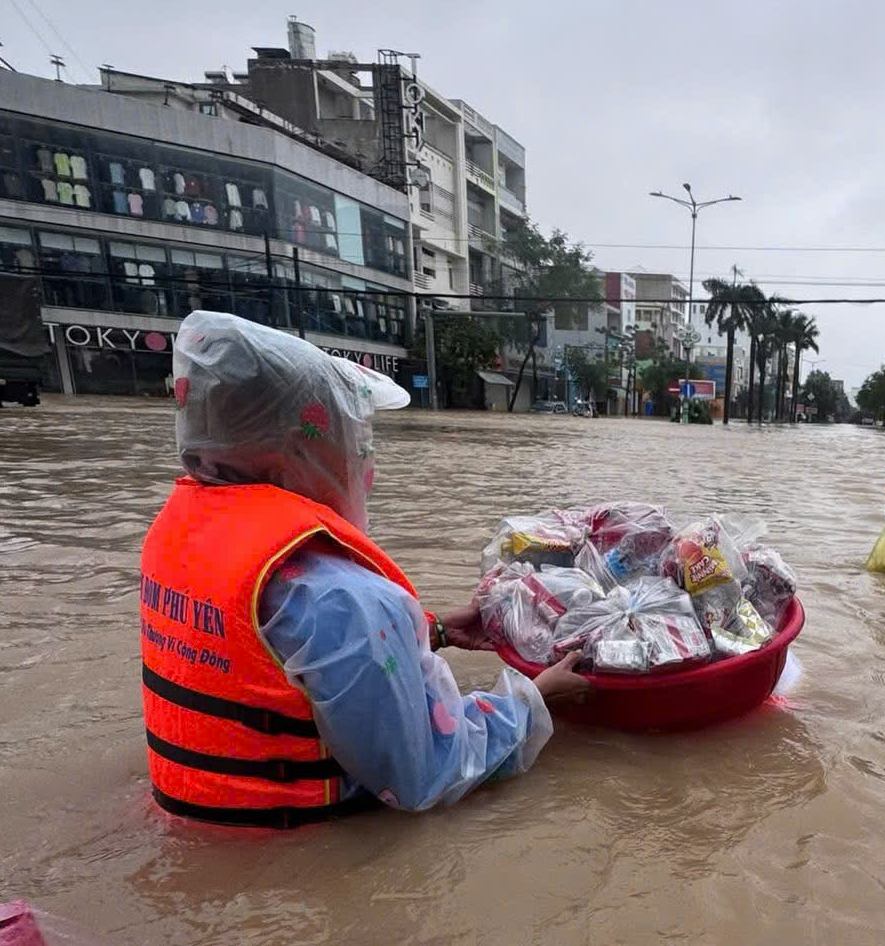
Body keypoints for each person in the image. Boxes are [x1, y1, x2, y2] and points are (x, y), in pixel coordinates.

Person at [139, 311, 588, 829]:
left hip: (192, 822)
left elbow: (285, 656)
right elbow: (426, 773)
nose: (365, 461)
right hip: (299, 856)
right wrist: (536, 698)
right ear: (298, 451)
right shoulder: (344, 597)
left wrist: (430, 630)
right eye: (357, 440)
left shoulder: (185, 536)